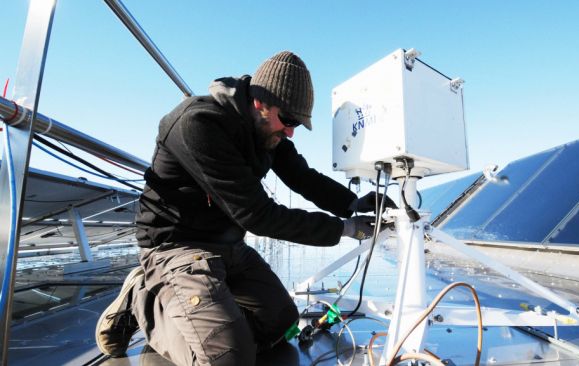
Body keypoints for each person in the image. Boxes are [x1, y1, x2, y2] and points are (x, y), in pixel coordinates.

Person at [94, 51, 394, 365]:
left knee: (283, 325)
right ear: (259, 102)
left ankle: (208, 319)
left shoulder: (266, 133)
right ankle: (143, 299)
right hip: (175, 247)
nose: (290, 132)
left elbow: (303, 177)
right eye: (289, 120)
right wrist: (346, 229)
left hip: (227, 246)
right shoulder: (199, 125)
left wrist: (353, 203)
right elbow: (259, 215)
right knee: (230, 359)